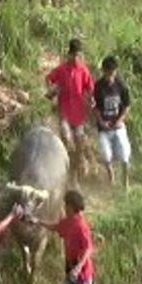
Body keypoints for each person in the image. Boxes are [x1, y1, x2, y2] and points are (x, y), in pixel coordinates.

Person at [46, 39, 95, 186]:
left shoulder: (84, 70)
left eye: (78, 56)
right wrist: (52, 90)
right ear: (69, 54)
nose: (75, 59)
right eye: (73, 55)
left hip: (79, 114)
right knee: (67, 140)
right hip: (65, 113)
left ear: (81, 56)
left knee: (79, 144)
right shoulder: (62, 70)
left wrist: (92, 99)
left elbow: (90, 88)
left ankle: (75, 175)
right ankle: (64, 173)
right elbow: (49, 79)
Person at [94, 55, 132, 189]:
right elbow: (96, 107)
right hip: (103, 127)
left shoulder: (121, 86)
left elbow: (127, 105)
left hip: (118, 126)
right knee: (106, 155)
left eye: (113, 72)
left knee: (124, 153)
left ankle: (126, 183)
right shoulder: (98, 87)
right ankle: (111, 178)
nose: (110, 75)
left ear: (116, 71)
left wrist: (120, 120)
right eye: (108, 72)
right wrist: (101, 122)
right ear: (104, 71)